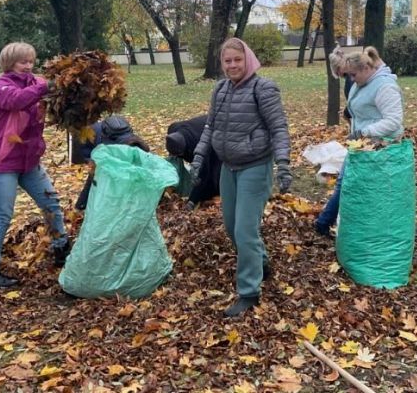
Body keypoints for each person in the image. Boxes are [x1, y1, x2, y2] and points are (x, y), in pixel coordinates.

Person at [191, 38, 291, 317]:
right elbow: (210, 127)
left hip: (255, 167)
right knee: (231, 226)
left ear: (248, 59)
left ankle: (249, 292)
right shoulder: (220, 89)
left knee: (245, 230)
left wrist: (283, 163)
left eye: (238, 59)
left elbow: (279, 128)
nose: (233, 65)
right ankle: (261, 262)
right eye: (228, 61)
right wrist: (198, 157)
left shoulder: (263, 88)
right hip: (228, 167)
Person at [0, 42, 69, 288]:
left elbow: (54, 101)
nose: (28, 66)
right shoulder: (1, 86)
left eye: (31, 61)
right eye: (23, 62)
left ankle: (62, 250)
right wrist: (44, 87)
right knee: (2, 215)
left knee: (51, 204)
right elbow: (17, 100)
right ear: (10, 63)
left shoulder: (36, 83)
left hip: (29, 161)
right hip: (2, 162)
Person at [314, 47, 404, 237]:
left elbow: (394, 120)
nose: (351, 79)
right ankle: (326, 223)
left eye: (353, 75)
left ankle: (330, 223)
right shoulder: (362, 83)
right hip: (362, 145)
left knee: (355, 185)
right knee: (346, 182)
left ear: (366, 68)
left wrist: (364, 132)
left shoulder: (385, 87)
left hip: (380, 148)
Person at [74, 116, 149, 211]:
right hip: (89, 146)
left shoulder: (137, 146)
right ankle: (81, 206)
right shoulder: (100, 143)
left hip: (104, 143)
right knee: (97, 177)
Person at [165, 115, 222, 209]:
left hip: (216, 136)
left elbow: (203, 174)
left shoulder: (200, 147)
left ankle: (214, 194)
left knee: (214, 173)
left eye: (179, 154)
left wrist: (192, 201)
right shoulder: (173, 129)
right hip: (202, 128)